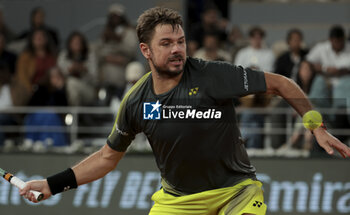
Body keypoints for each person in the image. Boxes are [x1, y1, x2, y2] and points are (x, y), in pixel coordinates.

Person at [20, 7, 350, 215]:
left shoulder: (212, 75)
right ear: (145, 50)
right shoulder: (137, 101)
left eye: (180, 41)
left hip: (235, 193)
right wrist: (53, 184)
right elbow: (107, 157)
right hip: (176, 202)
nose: (178, 49)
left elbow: (281, 83)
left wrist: (316, 126)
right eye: (167, 43)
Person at [57, 31, 97, 106]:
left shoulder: (90, 56)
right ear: (69, 44)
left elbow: (95, 79)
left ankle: (75, 114)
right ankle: (76, 114)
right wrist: (70, 70)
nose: (77, 44)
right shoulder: (63, 55)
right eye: (74, 42)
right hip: (65, 90)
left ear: (83, 44)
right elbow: (59, 77)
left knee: (71, 83)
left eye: (79, 42)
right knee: (70, 83)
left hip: (87, 89)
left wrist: (85, 70)